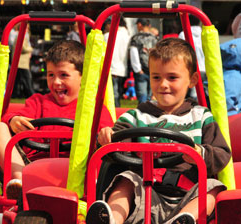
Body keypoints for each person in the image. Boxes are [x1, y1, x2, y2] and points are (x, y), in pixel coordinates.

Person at [86, 38, 231, 224]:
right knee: (127, 179)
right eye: (156, 77)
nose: (163, 84)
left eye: (172, 77)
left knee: (214, 187)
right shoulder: (138, 115)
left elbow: (221, 154)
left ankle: (184, 220)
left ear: (192, 80)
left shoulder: (201, 117)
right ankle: (113, 218)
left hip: (187, 195)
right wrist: (107, 138)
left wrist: (199, 153)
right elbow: (117, 141)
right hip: (146, 194)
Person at [0, 40, 114, 200]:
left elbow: (108, 135)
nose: (56, 82)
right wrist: (14, 120)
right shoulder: (38, 101)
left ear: (84, 77)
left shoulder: (94, 107)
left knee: (108, 143)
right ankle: (20, 182)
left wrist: (106, 133)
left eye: (64, 75)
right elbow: (10, 119)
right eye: (50, 75)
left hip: (78, 171)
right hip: (31, 166)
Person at [129, 18, 158, 104]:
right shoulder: (155, 38)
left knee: (142, 95)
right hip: (153, 69)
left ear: (139, 25)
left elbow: (133, 53)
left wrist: (138, 70)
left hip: (141, 70)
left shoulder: (136, 38)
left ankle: (142, 114)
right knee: (151, 96)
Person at [104, 17, 130, 107]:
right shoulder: (126, 35)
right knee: (118, 92)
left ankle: (114, 112)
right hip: (123, 68)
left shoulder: (107, 36)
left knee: (114, 94)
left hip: (112, 68)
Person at [179, 15, 206, 100]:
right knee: (206, 93)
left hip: (192, 68)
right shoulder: (205, 33)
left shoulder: (183, 34)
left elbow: (180, 51)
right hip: (206, 68)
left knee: (195, 93)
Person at [11, 24, 35, 98]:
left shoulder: (21, 36)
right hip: (21, 63)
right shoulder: (20, 36)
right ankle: (31, 95)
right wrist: (31, 49)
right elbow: (23, 48)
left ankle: (15, 95)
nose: (27, 30)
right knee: (27, 79)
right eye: (26, 28)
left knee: (16, 81)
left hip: (19, 62)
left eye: (27, 28)